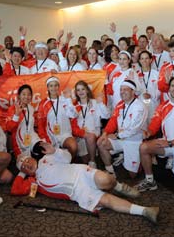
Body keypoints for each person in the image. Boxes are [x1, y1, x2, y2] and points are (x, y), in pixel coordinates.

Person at [17, 142, 159, 224]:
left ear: (32, 158)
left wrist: (55, 151)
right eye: (23, 166)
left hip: (81, 172)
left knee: (106, 180)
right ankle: (145, 211)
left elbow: (67, 158)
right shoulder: (32, 182)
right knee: (107, 201)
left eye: (26, 160)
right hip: (78, 192)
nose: (26, 164)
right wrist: (22, 173)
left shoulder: (46, 159)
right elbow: (15, 189)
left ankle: (119, 186)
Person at [97, 80, 148, 178]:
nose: (122, 92)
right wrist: (105, 133)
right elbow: (113, 120)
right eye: (121, 89)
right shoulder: (121, 105)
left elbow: (134, 129)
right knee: (101, 142)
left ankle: (140, 159)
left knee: (132, 176)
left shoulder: (140, 106)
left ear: (133, 91)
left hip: (134, 141)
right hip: (121, 139)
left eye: (125, 89)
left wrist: (117, 135)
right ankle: (110, 171)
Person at [68, 80, 110, 168]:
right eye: (78, 90)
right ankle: (92, 156)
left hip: (94, 133)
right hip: (81, 135)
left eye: (83, 89)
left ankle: (93, 161)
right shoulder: (74, 106)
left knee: (90, 139)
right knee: (84, 159)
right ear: (76, 92)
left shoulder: (95, 103)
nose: (81, 92)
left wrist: (101, 103)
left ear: (87, 90)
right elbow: (72, 123)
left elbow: (106, 115)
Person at [37, 77, 78, 158]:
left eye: (56, 85)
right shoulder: (43, 103)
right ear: (48, 88)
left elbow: (73, 115)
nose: (54, 88)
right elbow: (40, 124)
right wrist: (44, 139)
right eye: (51, 86)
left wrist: (68, 100)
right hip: (51, 136)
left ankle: (69, 165)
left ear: (59, 87)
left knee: (73, 146)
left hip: (65, 134)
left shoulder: (65, 99)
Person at [6, 84, 43, 163]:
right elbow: (9, 128)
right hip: (18, 143)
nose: (26, 96)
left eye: (29, 94)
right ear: (19, 96)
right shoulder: (12, 109)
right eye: (24, 94)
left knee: (43, 150)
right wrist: (16, 115)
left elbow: (32, 126)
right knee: (27, 166)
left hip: (32, 138)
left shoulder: (31, 108)